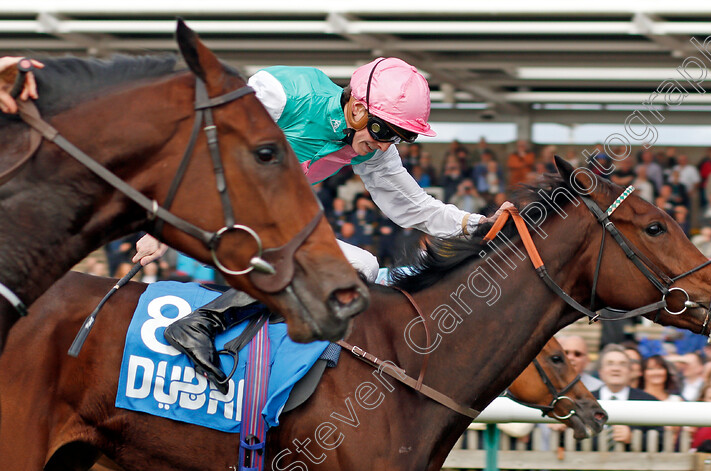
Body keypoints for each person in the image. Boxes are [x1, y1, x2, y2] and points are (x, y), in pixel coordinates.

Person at [133, 57, 510, 391]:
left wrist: (475, 225)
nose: (385, 144)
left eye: (398, 136)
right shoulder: (281, 94)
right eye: (383, 131)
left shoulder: (368, 146)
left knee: (363, 266)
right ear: (358, 109)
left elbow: (412, 205)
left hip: (263, 222)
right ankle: (202, 324)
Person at [592, 344, 663, 451]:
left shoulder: (649, 401)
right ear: (600, 371)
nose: (616, 369)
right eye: (610, 364)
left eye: (622, 364)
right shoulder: (585, 400)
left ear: (630, 371)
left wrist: (633, 438)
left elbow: (661, 439)